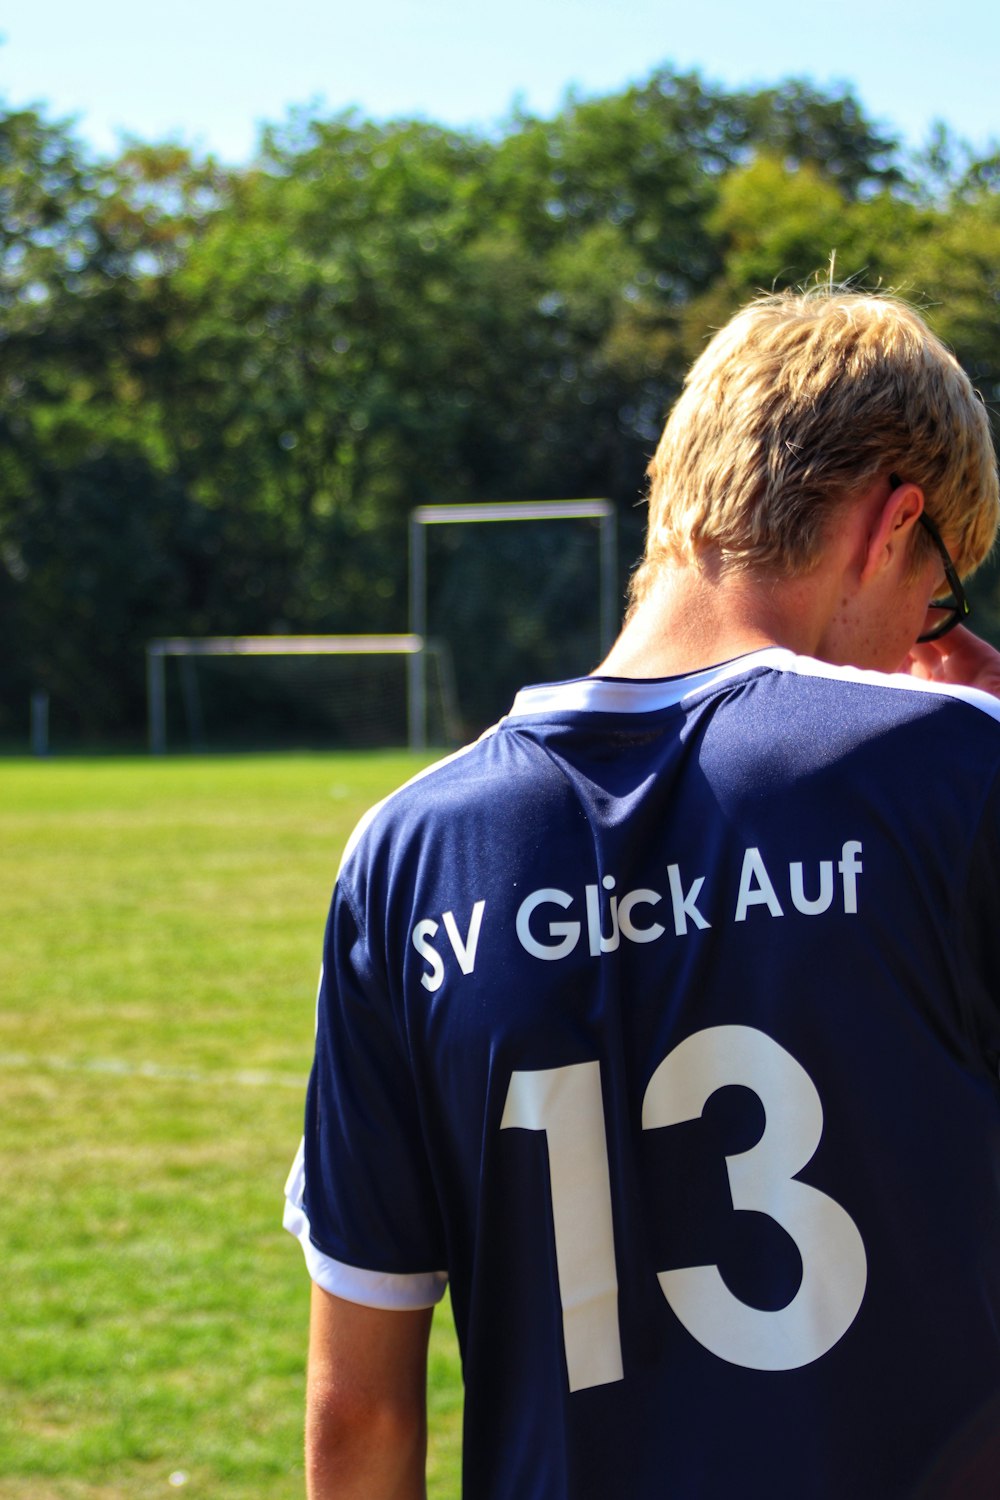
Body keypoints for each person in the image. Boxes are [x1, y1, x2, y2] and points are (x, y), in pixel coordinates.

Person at [284, 286, 1000, 1499]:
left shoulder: (406, 855)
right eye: (939, 601)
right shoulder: (956, 772)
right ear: (892, 524)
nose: (923, 649)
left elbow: (357, 1412)